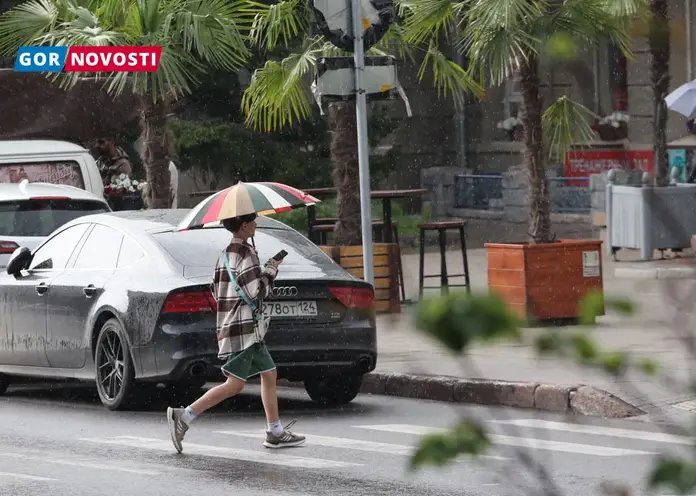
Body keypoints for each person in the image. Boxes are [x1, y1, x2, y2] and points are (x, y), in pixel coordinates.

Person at [166, 213, 305, 453]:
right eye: (252, 221)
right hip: (244, 329)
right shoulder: (247, 254)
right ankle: (184, 416)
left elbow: (215, 289)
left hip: (236, 325)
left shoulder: (225, 255)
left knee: (269, 374)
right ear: (243, 225)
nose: (256, 224)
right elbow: (256, 292)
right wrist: (270, 270)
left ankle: (275, 432)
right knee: (234, 385)